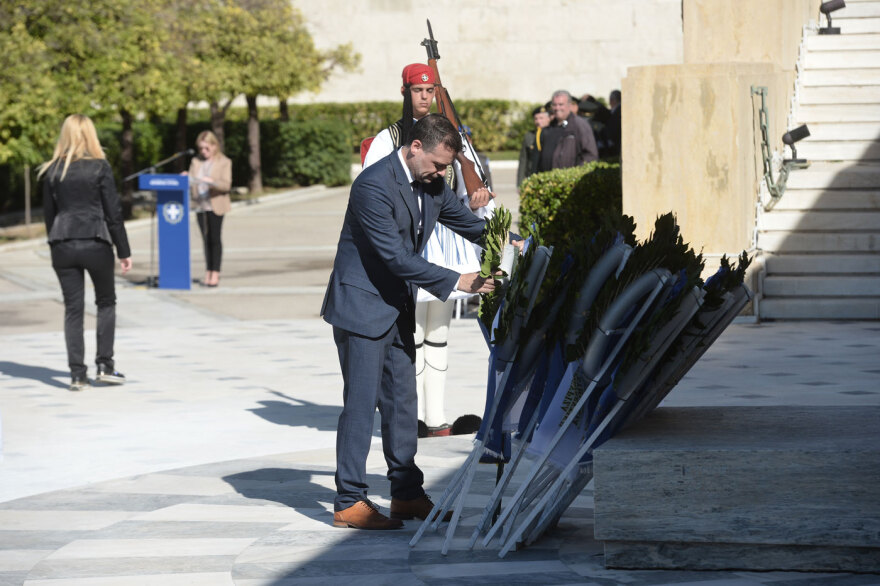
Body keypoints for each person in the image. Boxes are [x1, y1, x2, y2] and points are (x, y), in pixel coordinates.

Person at [322, 114, 497, 530]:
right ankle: (349, 500)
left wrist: (509, 239)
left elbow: (469, 224)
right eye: (437, 164)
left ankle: (405, 494)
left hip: (395, 306)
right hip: (362, 307)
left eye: (446, 168)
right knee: (362, 407)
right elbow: (396, 258)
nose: (441, 174)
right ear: (415, 147)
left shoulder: (433, 182)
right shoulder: (372, 185)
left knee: (403, 404)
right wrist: (459, 281)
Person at [364, 63, 495, 438]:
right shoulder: (388, 138)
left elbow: (470, 196)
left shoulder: (453, 137)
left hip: (445, 241)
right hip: (408, 243)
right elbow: (374, 192)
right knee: (411, 331)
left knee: (438, 330)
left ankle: (436, 418)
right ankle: (411, 415)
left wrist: (478, 200)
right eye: (417, 90)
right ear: (405, 92)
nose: (424, 96)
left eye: (430, 90)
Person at [38, 114, 132, 391]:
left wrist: (55, 240)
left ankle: (77, 375)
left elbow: (48, 215)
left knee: (73, 309)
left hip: (62, 243)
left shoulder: (53, 170)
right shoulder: (100, 167)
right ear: (91, 134)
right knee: (105, 302)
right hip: (95, 241)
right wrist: (124, 250)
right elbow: (113, 213)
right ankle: (105, 365)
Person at [186, 130, 231, 287]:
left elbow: (226, 184)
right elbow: (191, 180)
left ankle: (215, 272)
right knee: (205, 240)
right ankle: (208, 271)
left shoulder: (224, 162)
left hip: (216, 204)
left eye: (207, 148)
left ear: (214, 145)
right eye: (201, 149)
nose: (204, 152)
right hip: (200, 205)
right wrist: (187, 177)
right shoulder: (196, 162)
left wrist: (211, 181)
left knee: (214, 239)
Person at [540, 89, 599, 171]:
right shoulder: (550, 127)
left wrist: (574, 175)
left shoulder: (579, 125)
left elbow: (590, 155)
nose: (557, 108)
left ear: (569, 105)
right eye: (554, 105)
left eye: (561, 104)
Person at [517, 103, 552, 188]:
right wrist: (520, 183)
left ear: (549, 119)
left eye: (541, 118)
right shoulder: (529, 136)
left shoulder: (553, 135)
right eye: (536, 119)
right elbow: (523, 161)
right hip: (532, 177)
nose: (538, 121)